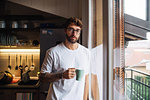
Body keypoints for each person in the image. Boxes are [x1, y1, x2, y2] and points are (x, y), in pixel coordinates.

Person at [40, 17, 90, 100]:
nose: (74, 33)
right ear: (65, 30)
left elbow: (86, 79)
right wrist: (61, 75)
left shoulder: (86, 53)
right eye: (71, 29)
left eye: (77, 30)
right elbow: (42, 77)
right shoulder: (53, 52)